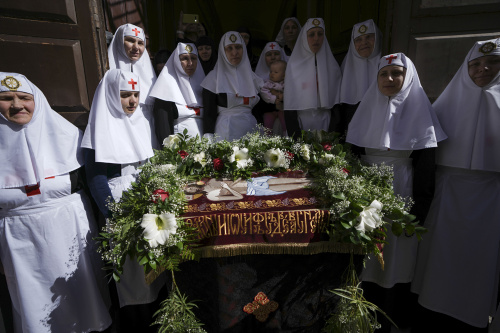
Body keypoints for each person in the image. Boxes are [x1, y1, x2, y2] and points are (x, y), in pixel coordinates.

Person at [0, 72, 112, 332]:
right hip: (20, 250)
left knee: (86, 310)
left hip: (71, 239)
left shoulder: (69, 137)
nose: (17, 105)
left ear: (37, 100)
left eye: (24, 98)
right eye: (6, 99)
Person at [346, 53, 447, 332]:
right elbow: (352, 157)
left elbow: (426, 170)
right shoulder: (363, 108)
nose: (389, 79)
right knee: (364, 255)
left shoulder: (422, 112)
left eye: (396, 73)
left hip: (402, 191)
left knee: (395, 258)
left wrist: (417, 214)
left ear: (408, 77)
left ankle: (390, 318)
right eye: (383, 73)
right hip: (363, 193)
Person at [411, 38, 500, 333]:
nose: (483, 69)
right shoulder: (446, 104)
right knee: (440, 262)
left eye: (492, 62)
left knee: (479, 265)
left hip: (491, 196)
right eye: (474, 64)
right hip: (448, 194)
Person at [81, 69, 166, 332]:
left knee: (155, 270)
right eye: (125, 95)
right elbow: (97, 181)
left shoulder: (139, 121)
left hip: (147, 202)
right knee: (131, 276)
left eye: (136, 95)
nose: (132, 101)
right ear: (109, 96)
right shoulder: (98, 129)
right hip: (121, 207)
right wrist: (115, 214)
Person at [284, 18, 342, 138]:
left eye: (320, 34)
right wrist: (296, 137)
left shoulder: (332, 66)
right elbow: (290, 104)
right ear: (304, 38)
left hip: (326, 122)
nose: (316, 38)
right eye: (311, 34)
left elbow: (337, 105)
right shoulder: (293, 66)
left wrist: (332, 134)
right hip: (301, 123)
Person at [201, 31, 264, 141]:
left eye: (238, 47)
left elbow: (258, 111)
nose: (234, 52)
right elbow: (209, 114)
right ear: (222, 51)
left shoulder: (253, 77)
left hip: (252, 131)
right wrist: (208, 140)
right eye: (229, 48)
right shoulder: (213, 78)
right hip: (226, 132)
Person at [108, 23, 158, 148]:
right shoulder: (109, 74)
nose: (136, 47)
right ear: (120, 41)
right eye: (130, 41)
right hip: (120, 131)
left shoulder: (150, 75)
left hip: (147, 131)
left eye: (140, 43)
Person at [332, 19, 382, 135]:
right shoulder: (343, 70)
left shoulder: (387, 66)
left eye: (369, 37)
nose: (364, 42)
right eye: (358, 39)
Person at [150, 42, 205, 141]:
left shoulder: (203, 85)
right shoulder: (165, 87)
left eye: (193, 58)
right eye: (184, 58)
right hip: (180, 150)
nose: (190, 63)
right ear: (176, 60)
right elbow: (163, 128)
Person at [254, 41, 287, 133]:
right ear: (264, 57)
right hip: (267, 119)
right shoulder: (257, 77)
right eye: (269, 54)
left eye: (276, 54)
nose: (273, 57)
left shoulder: (287, 77)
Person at [260, 60, 287, 135]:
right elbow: (264, 92)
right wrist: (274, 99)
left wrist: (283, 96)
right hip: (270, 111)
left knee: (285, 122)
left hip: (282, 110)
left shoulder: (286, 83)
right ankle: (268, 138)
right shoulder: (268, 83)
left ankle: (286, 135)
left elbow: (290, 92)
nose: (272, 74)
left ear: (284, 75)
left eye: (275, 72)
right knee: (267, 124)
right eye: (271, 71)